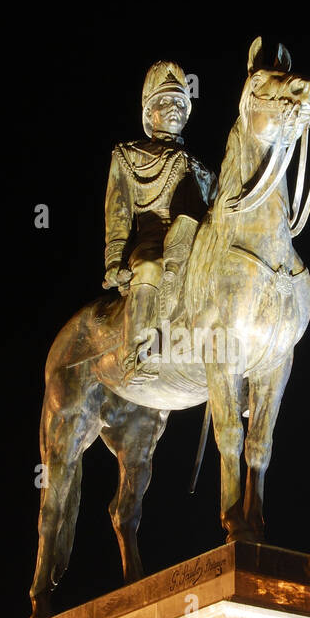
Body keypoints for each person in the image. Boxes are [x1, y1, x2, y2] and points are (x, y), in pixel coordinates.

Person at [103, 61, 215, 381]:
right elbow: (119, 210)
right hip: (152, 241)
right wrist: (114, 261)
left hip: (194, 244)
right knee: (150, 267)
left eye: (181, 103)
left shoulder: (201, 169)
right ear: (149, 111)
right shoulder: (128, 155)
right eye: (165, 102)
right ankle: (137, 352)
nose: (175, 109)